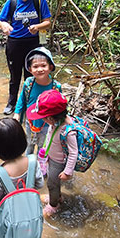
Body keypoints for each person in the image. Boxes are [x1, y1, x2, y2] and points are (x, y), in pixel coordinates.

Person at [0, 0, 52, 115]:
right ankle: (11, 103)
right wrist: (4, 25)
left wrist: (37, 27)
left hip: (33, 43)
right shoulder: (12, 1)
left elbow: (48, 21)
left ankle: (30, 104)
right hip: (14, 43)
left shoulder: (39, 0)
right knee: (15, 76)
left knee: (31, 75)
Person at [26, 89, 77, 217]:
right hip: (52, 157)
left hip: (59, 162)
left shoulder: (68, 131)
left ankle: (54, 205)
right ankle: (57, 197)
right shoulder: (56, 123)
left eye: (43, 117)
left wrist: (68, 171)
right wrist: (45, 149)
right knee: (53, 181)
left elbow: (73, 153)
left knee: (51, 183)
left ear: (49, 118)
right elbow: (50, 136)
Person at [13, 47, 61, 155]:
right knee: (29, 143)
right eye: (35, 66)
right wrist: (17, 114)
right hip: (30, 122)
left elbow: (60, 107)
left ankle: (39, 167)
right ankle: (27, 164)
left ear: (51, 67)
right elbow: (22, 100)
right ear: (30, 69)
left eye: (43, 66)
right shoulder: (29, 84)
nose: (39, 69)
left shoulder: (55, 87)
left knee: (43, 146)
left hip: (47, 124)